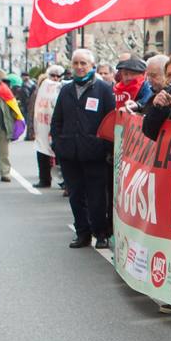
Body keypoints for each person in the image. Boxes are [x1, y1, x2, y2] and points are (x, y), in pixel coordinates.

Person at [50, 49, 116, 247]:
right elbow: (57, 120)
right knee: (76, 196)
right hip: (70, 153)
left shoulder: (103, 89)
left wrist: (104, 147)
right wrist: (58, 144)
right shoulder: (66, 90)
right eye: (76, 63)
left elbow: (110, 120)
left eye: (83, 63)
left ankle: (100, 233)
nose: (79, 67)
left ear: (91, 66)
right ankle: (82, 233)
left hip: (94, 154)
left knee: (97, 197)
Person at [32, 65, 64, 189]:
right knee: (42, 151)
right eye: (53, 76)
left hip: (58, 126)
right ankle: (44, 179)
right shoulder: (42, 89)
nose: (55, 78)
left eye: (58, 76)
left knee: (60, 154)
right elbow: (35, 109)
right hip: (43, 126)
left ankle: (63, 182)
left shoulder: (64, 88)